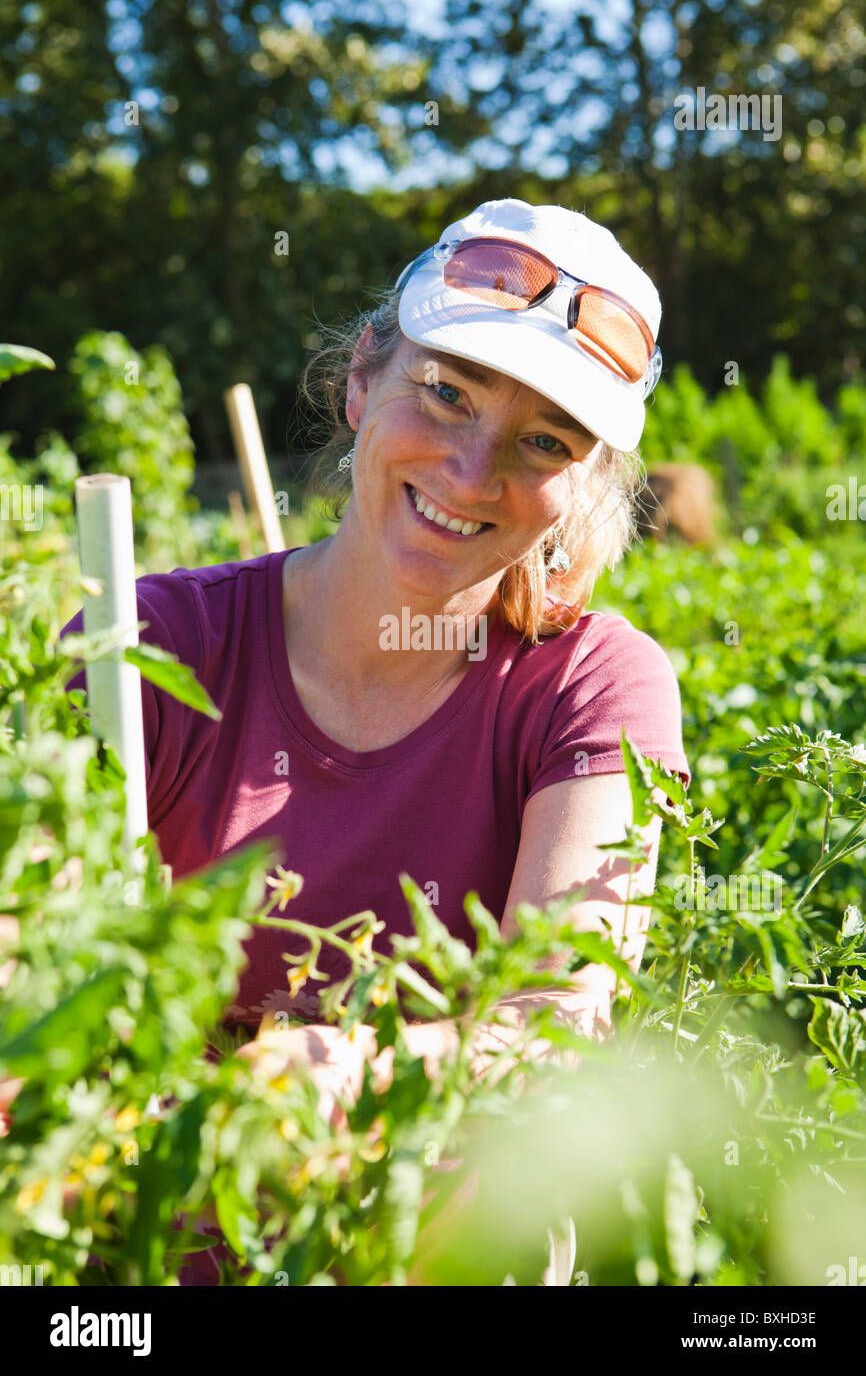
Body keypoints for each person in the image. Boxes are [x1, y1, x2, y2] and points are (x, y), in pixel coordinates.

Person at [60, 197, 690, 1123]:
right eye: (447, 393)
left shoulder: (590, 687)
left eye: (545, 442)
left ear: (584, 486)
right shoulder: (153, 645)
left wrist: (348, 1070)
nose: (471, 474)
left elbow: (558, 1027)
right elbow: (34, 949)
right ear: (363, 374)